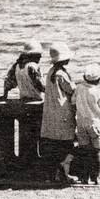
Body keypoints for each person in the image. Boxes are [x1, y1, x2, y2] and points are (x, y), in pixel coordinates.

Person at [40, 41, 78, 185]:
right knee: (67, 144)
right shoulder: (61, 74)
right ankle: (64, 174)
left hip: (51, 113)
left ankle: (55, 174)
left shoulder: (50, 72)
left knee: (54, 145)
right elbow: (71, 90)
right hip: (63, 113)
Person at [73, 62, 100, 185]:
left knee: (84, 150)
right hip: (94, 124)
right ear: (98, 79)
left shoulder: (79, 88)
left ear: (84, 77)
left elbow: (73, 101)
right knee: (97, 151)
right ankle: (97, 177)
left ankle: (84, 177)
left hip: (81, 123)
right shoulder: (96, 91)